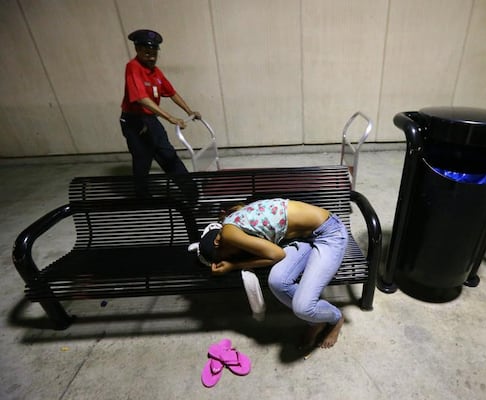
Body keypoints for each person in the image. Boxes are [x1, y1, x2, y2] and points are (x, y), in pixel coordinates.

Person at [196, 198, 348, 349]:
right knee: (277, 282)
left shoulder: (228, 233)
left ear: (217, 242)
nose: (231, 256)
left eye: (226, 256)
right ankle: (316, 320)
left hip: (329, 233)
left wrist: (233, 265)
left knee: (303, 308)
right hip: (302, 238)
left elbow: (276, 255)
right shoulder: (230, 224)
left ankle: (336, 317)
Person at [120, 29, 201, 179]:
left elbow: (172, 93)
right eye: (147, 53)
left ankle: (191, 194)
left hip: (150, 120)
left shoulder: (155, 72)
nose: (151, 57)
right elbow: (141, 98)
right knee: (142, 160)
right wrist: (170, 118)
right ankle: (142, 198)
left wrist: (189, 111)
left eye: (154, 53)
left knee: (169, 155)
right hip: (134, 121)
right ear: (137, 49)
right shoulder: (133, 67)